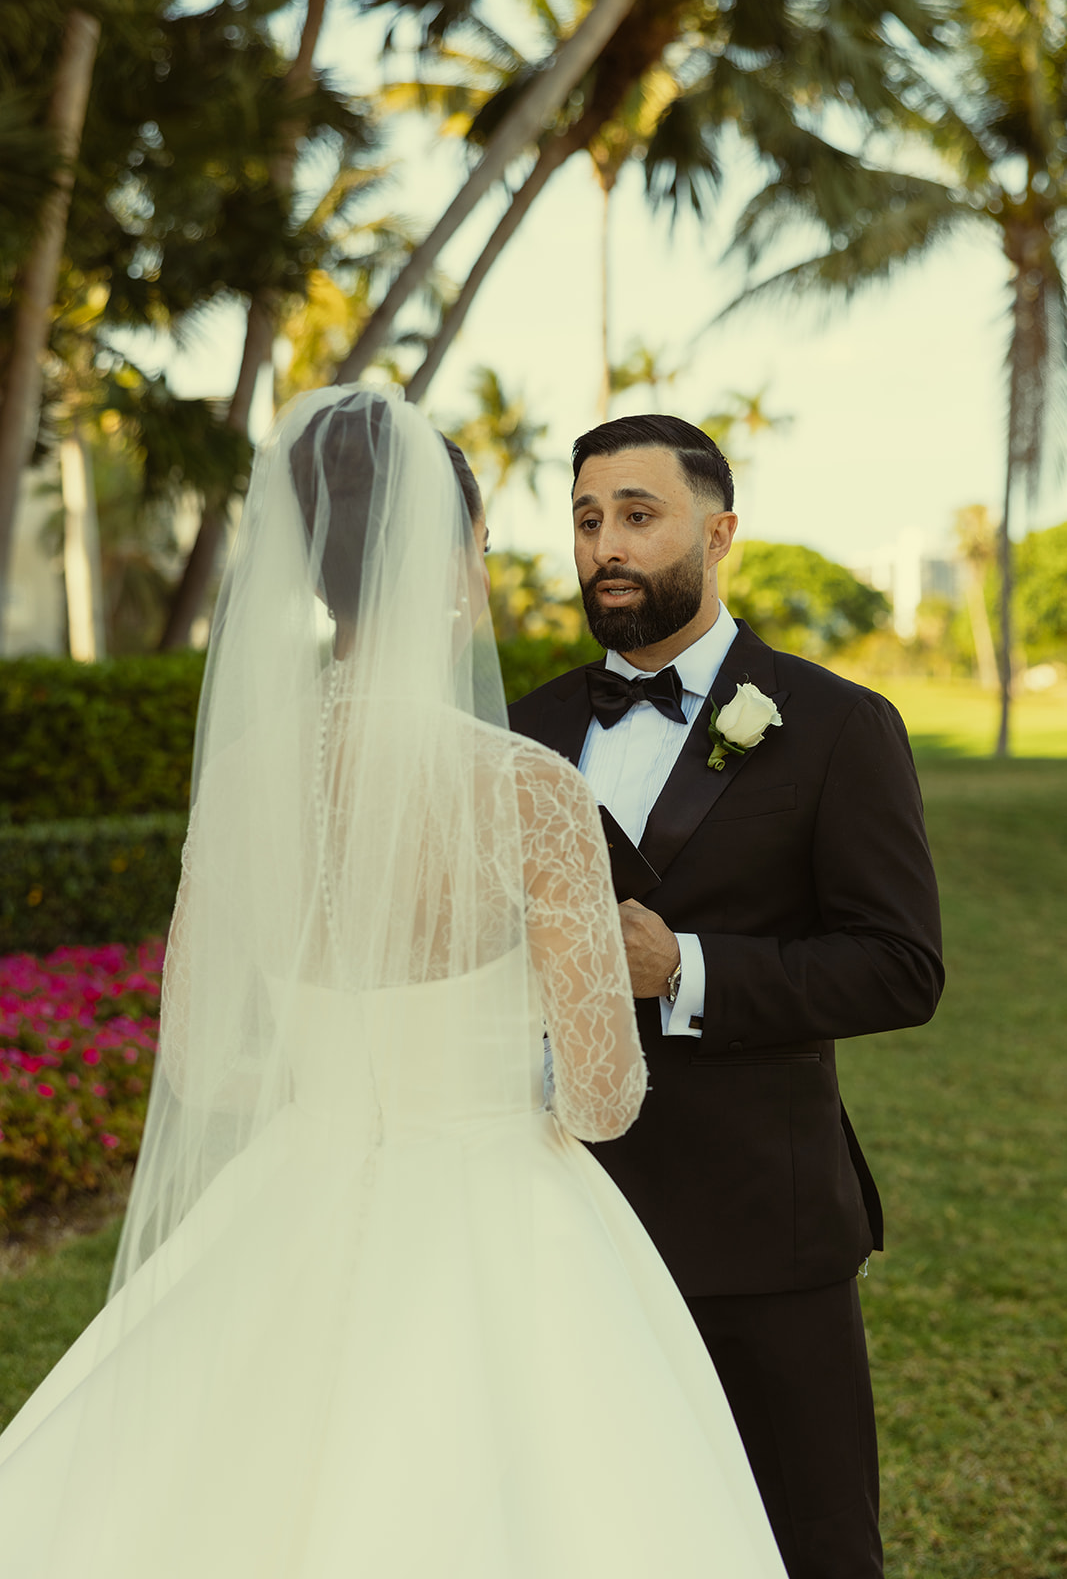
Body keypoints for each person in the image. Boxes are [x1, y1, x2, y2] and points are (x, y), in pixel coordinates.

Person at [0, 387, 787, 1579]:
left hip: (291, 1195)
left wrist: (335, 1077)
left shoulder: (247, 781)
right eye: (472, 542)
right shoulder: (526, 793)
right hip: (495, 1212)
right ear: (444, 562)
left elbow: (204, 1058)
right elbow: (598, 1097)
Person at [509, 414, 945, 1579]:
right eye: (588, 518)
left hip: (766, 1227)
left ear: (719, 532)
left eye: (639, 516)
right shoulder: (528, 731)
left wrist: (684, 967)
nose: (607, 544)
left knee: (808, 1543)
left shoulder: (839, 723)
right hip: (569, 1213)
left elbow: (900, 964)